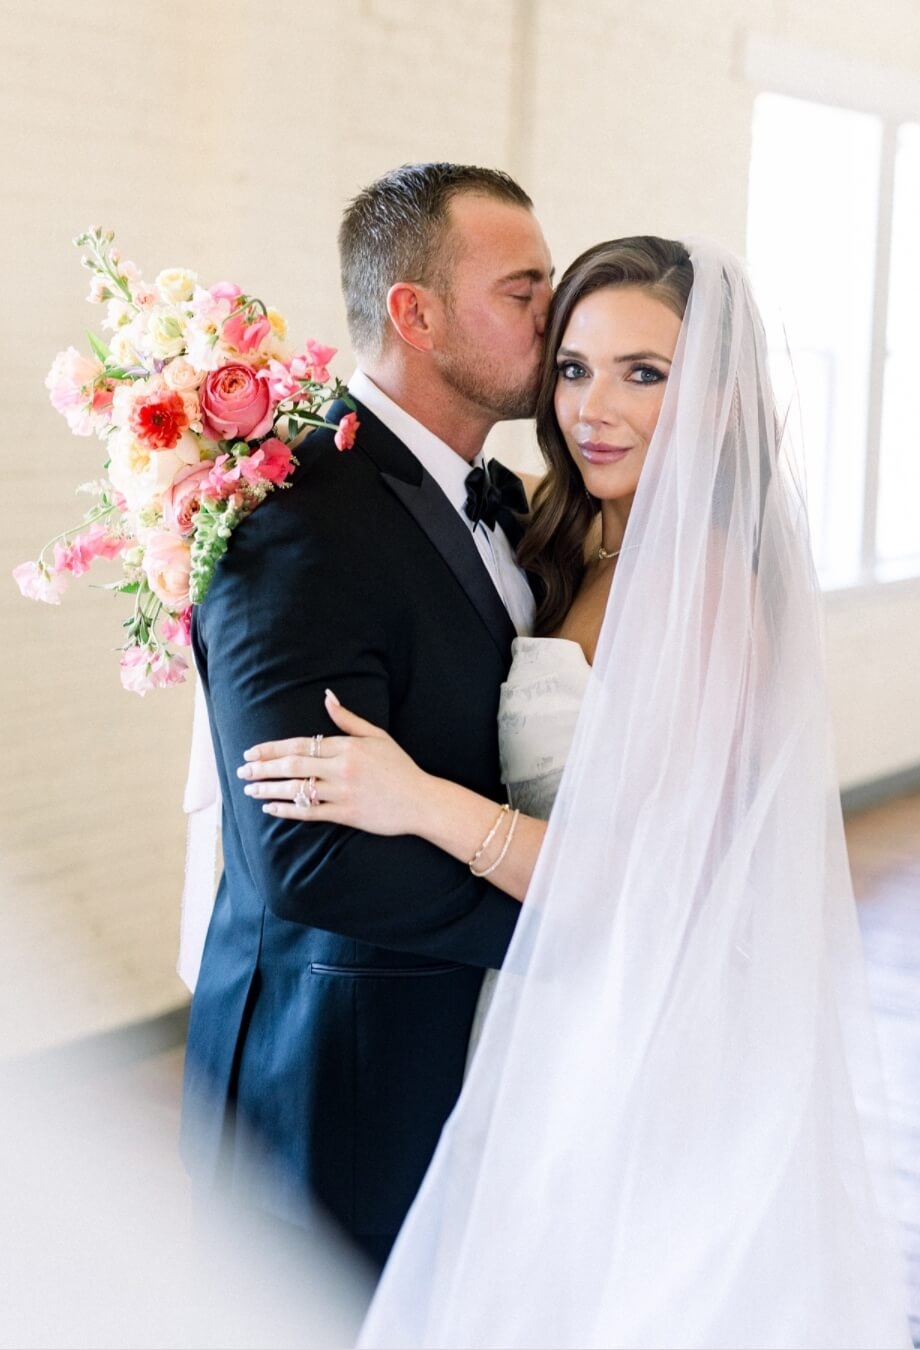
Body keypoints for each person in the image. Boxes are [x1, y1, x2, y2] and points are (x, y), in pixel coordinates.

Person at [239, 237, 910, 1347]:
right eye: (573, 367)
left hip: (643, 1028)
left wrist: (415, 800)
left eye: (644, 373)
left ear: (717, 397)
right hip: (550, 998)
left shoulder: (699, 584)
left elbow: (631, 885)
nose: (595, 407)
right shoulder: (575, 534)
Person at [180, 161, 553, 1269]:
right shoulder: (295, 513)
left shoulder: (508, 499)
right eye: (521, 290)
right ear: (415, 314)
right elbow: (302, 857)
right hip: (335, 1073)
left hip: (468, 1051)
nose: (552, 311)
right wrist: (561, 925)